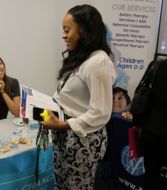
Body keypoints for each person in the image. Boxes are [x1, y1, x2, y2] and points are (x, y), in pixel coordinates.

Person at [41, 5, 116, 190]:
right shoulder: (81, 58)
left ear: (84, 30)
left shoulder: (98, 62)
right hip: (65, 133)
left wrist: (63, 125)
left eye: (67, 30)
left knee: (77, 187)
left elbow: (100, 113)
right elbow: (68, 97)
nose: (63, 35)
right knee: (62, 184)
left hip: (82, 140)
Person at [137, 57, 167, 190]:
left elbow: (142, 94)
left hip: (151, 131)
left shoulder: (158, 65)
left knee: (151, 176)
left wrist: (138, 122)